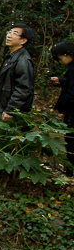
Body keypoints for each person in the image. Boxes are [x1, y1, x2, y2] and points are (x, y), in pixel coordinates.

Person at [0, 23, 35, 124]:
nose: (9, 35)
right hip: (1, 106)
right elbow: (2, 84)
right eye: (9, 32)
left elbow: (24, 89)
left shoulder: (23, 60)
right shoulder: (10, 56)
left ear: (23, 40)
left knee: (8, 138)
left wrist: (10, 110)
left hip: (10, 111)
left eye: (15, 33)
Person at [49, 41, 74, 175]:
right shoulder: (71, 70)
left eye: (60, 58)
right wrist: (61, 81)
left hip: (72, 113)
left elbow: (72, 94)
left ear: (68, 54)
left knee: (71, 143)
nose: (61, 61)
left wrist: (58, 106)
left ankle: (70, 173)